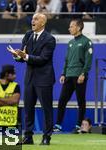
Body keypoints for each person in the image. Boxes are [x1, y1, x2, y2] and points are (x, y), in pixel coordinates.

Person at [7, 13, 56, 145]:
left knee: (46, 109)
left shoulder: (50, 39)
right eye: (33, 19)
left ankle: (46, 137)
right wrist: (17, 56)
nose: (32, 21)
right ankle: (28, 136)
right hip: (29, 78)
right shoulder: (28, 35)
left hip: (44, 78)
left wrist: (25, 56)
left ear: (43, 23)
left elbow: (43, 59)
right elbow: (22, 56)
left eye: (36, 19)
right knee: (28, 108)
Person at [53, 19, 93, 133]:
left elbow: (88, 60)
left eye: (71, 26)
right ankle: (58, 125)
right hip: (69, 76)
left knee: (81, 101)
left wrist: (83, 73)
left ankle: (78, 125)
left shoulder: (87, 42)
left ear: (79, 28)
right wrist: (63, 73)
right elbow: (67, 59)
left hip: (79, 76)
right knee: (62, 100)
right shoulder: (70, 42)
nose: (69, 28)